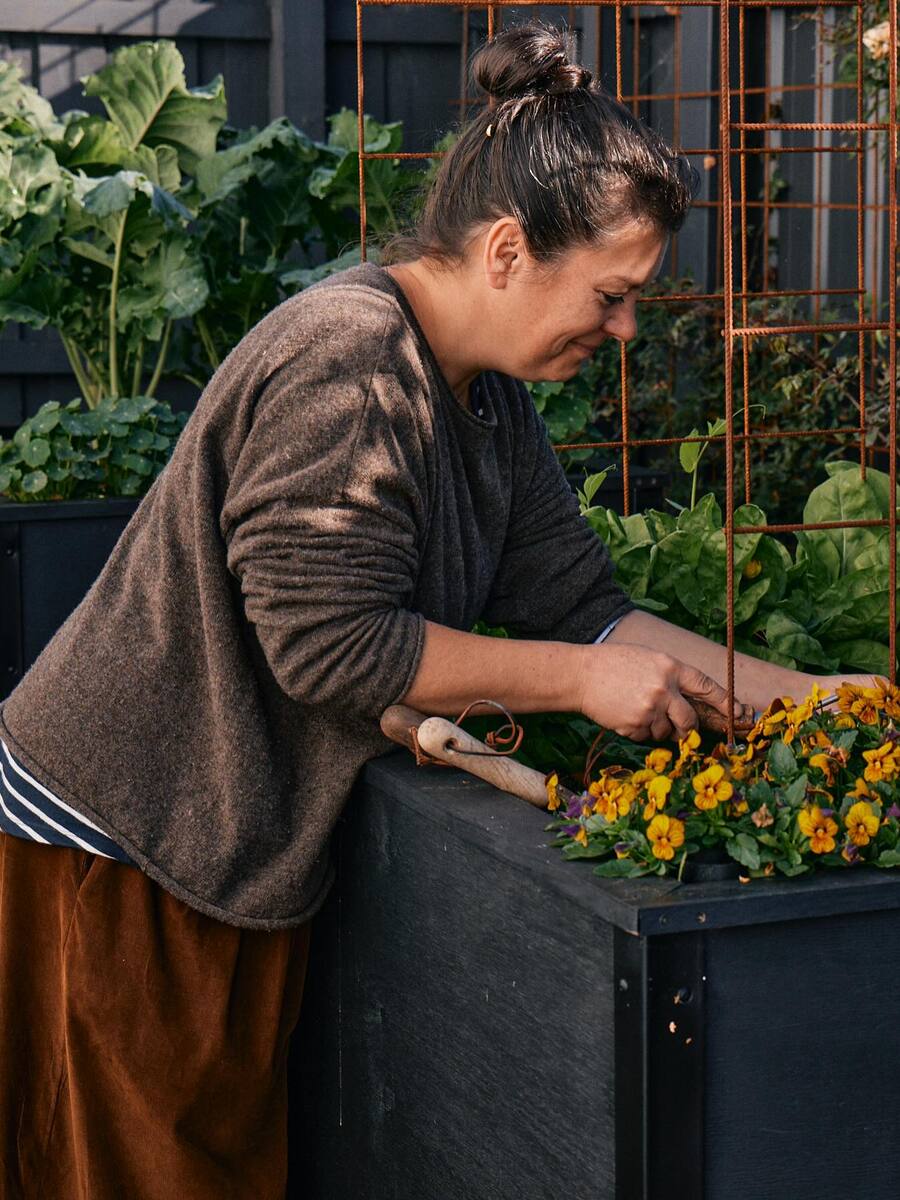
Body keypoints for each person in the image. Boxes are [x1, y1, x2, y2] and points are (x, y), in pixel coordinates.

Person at [0, 22, 868, 1199]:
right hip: (121, 838)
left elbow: (590, 606)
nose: (622, 334)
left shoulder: (485, 402)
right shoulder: (349, 362)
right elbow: (326, 646)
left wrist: (821, 703)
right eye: (612, 298)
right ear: (509, 250)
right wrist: (572, 681)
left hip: (216, 841)